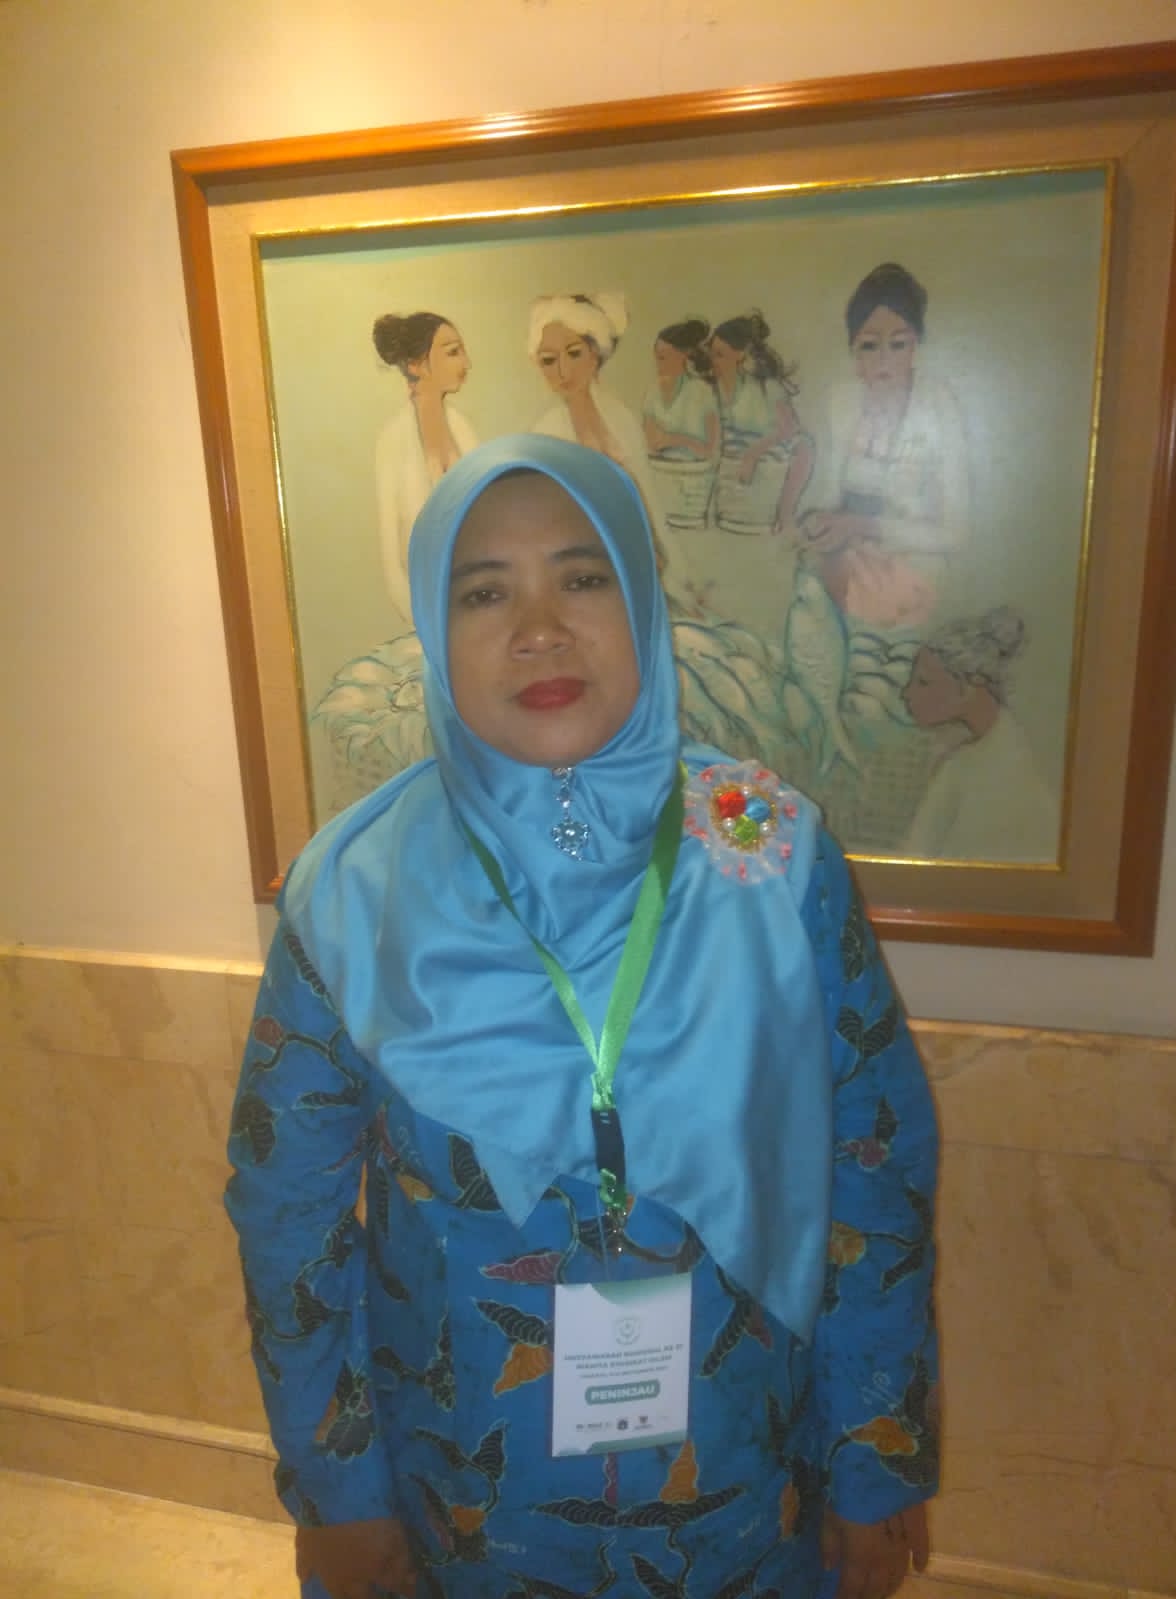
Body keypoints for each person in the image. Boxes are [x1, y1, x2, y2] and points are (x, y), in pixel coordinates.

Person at [226, 434, 940, 1599]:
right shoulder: (355, 887)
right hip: (465, 1497)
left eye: (583, 576)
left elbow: (875, 1164)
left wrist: (877, 1454)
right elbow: (288, 1217)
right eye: (485, 592)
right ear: (433, 627)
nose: (540, 629)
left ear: (643, 600)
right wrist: (336, 1491)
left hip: (746, 1481)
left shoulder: (767, 847)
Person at [798, 264, 968, 630]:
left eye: (898, 344)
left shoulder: (939, 404)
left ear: (916, 345)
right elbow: (828, 496)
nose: (883, 359)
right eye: (869, 346)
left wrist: (863, 526)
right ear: (854, 350)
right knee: (805, 595)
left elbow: (954, 533)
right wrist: (818, 522)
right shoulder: (842, 400)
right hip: (845, 557)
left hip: (913, 565)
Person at [528, 292, 700, 607]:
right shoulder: (545, 434)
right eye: (549, 361)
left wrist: (664, 558)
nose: (563, 371)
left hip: (641, 557)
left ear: (595, 354)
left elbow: (646, 496)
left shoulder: (619, 417)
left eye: (574, 354)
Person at [903, 607, 1059, 862]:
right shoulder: (969, 756)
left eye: (924, 682)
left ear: (970, 685)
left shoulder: (1002, 772)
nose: (907, 694)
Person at [374, 311, 477, 622]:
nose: (466, 363)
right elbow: (392, 559)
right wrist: (422, 621)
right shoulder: (393, 441)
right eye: (453, 352)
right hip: (424, 612)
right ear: (416, 364)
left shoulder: (464, 430)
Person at [707, 312, 813, 535]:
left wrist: (753, 454)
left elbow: (790, 429)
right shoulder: (712, 391)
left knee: (805, 445)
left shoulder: (767, 387)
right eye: (712, 354)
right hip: (727, 475)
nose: (714, 361)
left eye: (720, 355)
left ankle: (785, 516)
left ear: (741, 355)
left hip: (767, 468)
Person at [642, 318, 720, 530]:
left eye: (664, 357)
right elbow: (651, 442)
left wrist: (674, 439)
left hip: (693, 487)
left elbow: (710, 449)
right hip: (662, 481)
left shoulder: (702, 392)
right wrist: (670, 441)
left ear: (684, 356)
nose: (658, 363)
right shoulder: (652, 393)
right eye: (656, 357)